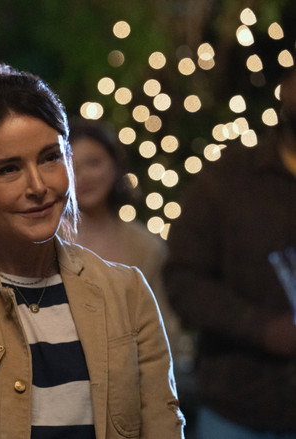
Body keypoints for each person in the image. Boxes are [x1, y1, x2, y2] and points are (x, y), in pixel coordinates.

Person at [0, 57, 184, 438]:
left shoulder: (127, 293)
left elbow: (162, 426)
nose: (38, 186)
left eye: (50, 158)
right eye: (9, 169)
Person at [165, 68, 296, 438]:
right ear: (286, 87)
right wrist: (263, 328)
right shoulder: (229, 178)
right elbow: (183, 279)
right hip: (238, 407)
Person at [70, 118, 192, 367]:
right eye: (71, 168)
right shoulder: (46, 242)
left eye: (93, 163)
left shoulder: (146, 246)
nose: (83, 176)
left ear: (115, 165)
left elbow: (164, 328)